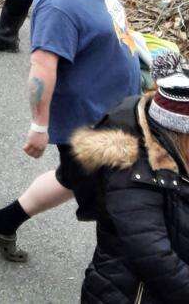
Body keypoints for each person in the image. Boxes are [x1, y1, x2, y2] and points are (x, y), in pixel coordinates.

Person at [0, 0, 141, 265]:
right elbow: (42, 69)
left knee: (72, 180)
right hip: (89, 125)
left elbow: (113, 27)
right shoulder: (57, 2)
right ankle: (117, 277)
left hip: (116, 111)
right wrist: (39, 126)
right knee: (117, 202)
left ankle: (1, 223)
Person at [72, 51, 189, 303]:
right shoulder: (135, 177)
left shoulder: (174, 148)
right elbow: (156, 260)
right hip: (130, 294)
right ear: (181, 133)